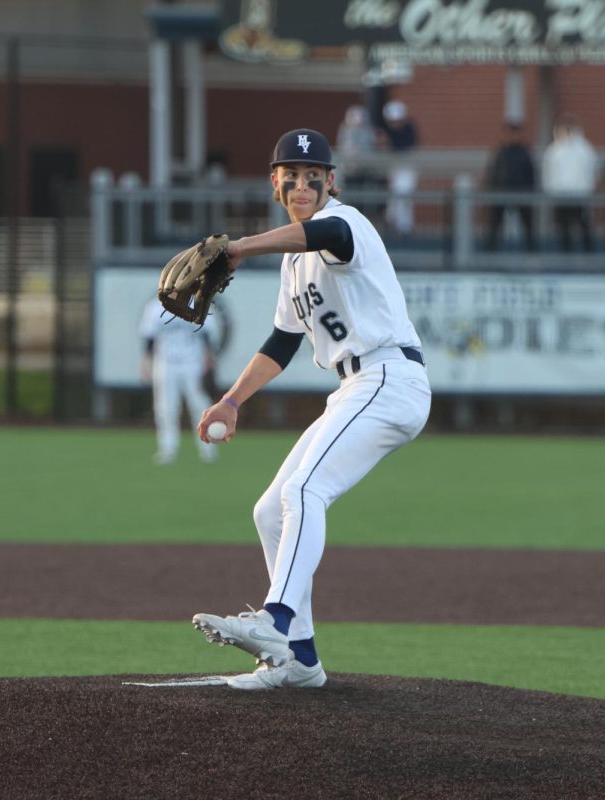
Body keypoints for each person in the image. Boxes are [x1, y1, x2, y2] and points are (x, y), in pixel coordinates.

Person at [190, 128, 431, 690]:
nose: (302, 186)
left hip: (388, 375)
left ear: (332, 183)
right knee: (271, 511)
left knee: (305, 491)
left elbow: (318, 233)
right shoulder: (293, 266)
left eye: (313, 178)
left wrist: (239, 247)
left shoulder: (347, 225)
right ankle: (300, 658)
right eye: (291, 178)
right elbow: (282, 343)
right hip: (356, 386)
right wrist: (231, 399)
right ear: (275, 183)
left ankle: (274, 621)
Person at [139, 298, 218, 465]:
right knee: (165, 408)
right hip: (165, 363)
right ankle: (167, 449)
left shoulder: (199, 304)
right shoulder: (155, 307)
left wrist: (208, 357)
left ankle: (208, 448)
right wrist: (146, 361)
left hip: (193, 362)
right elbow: (149, 338)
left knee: (199, 405)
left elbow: (207, 334)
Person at [542, 114, 598, 252]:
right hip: (560, 194)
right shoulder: (554, 150)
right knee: (563, 226)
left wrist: (588, 189)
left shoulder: (584, 149)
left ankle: (588, 252)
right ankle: (565, 252)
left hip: (580, 194)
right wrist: (550, 190)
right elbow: (549, 172)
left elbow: (591, 170)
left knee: (583, 225)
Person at [484, 121, 539, 252]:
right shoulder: (501, 153)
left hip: (521, 193)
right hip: (501, 193)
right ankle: (490, 250)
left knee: (528, 223)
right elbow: (494, 172)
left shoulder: (525, 153)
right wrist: (492, 190)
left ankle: (532, 250)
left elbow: (531, 174)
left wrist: (530, 192)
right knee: (494, 222)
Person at [381, 99, 419, 236]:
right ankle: (391, 223)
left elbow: (406, 148)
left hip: (405, 168)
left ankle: (405, 226)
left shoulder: (408, 129)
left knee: (404, 193)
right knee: (393, 197)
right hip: (392, 169)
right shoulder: (386, 129)